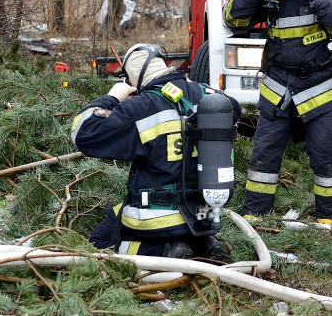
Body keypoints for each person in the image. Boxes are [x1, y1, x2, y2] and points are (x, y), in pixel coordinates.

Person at [223, 0, 332, 224]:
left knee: (326, 157)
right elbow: (231, 18)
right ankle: (255, 215)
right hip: (277, 88)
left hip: (318, 89)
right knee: (264, 156)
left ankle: (328, 220)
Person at [71, 44, 241, 258]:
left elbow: (83, 133)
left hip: (155, 220)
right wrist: (195, 87)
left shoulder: (140, 107)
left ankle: (162, 251)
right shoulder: (207, 99)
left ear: (132, 80)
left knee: (101, 239)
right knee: (117, 212)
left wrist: (113, 97)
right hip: (202, 214)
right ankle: (203, 245)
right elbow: (234, 107)